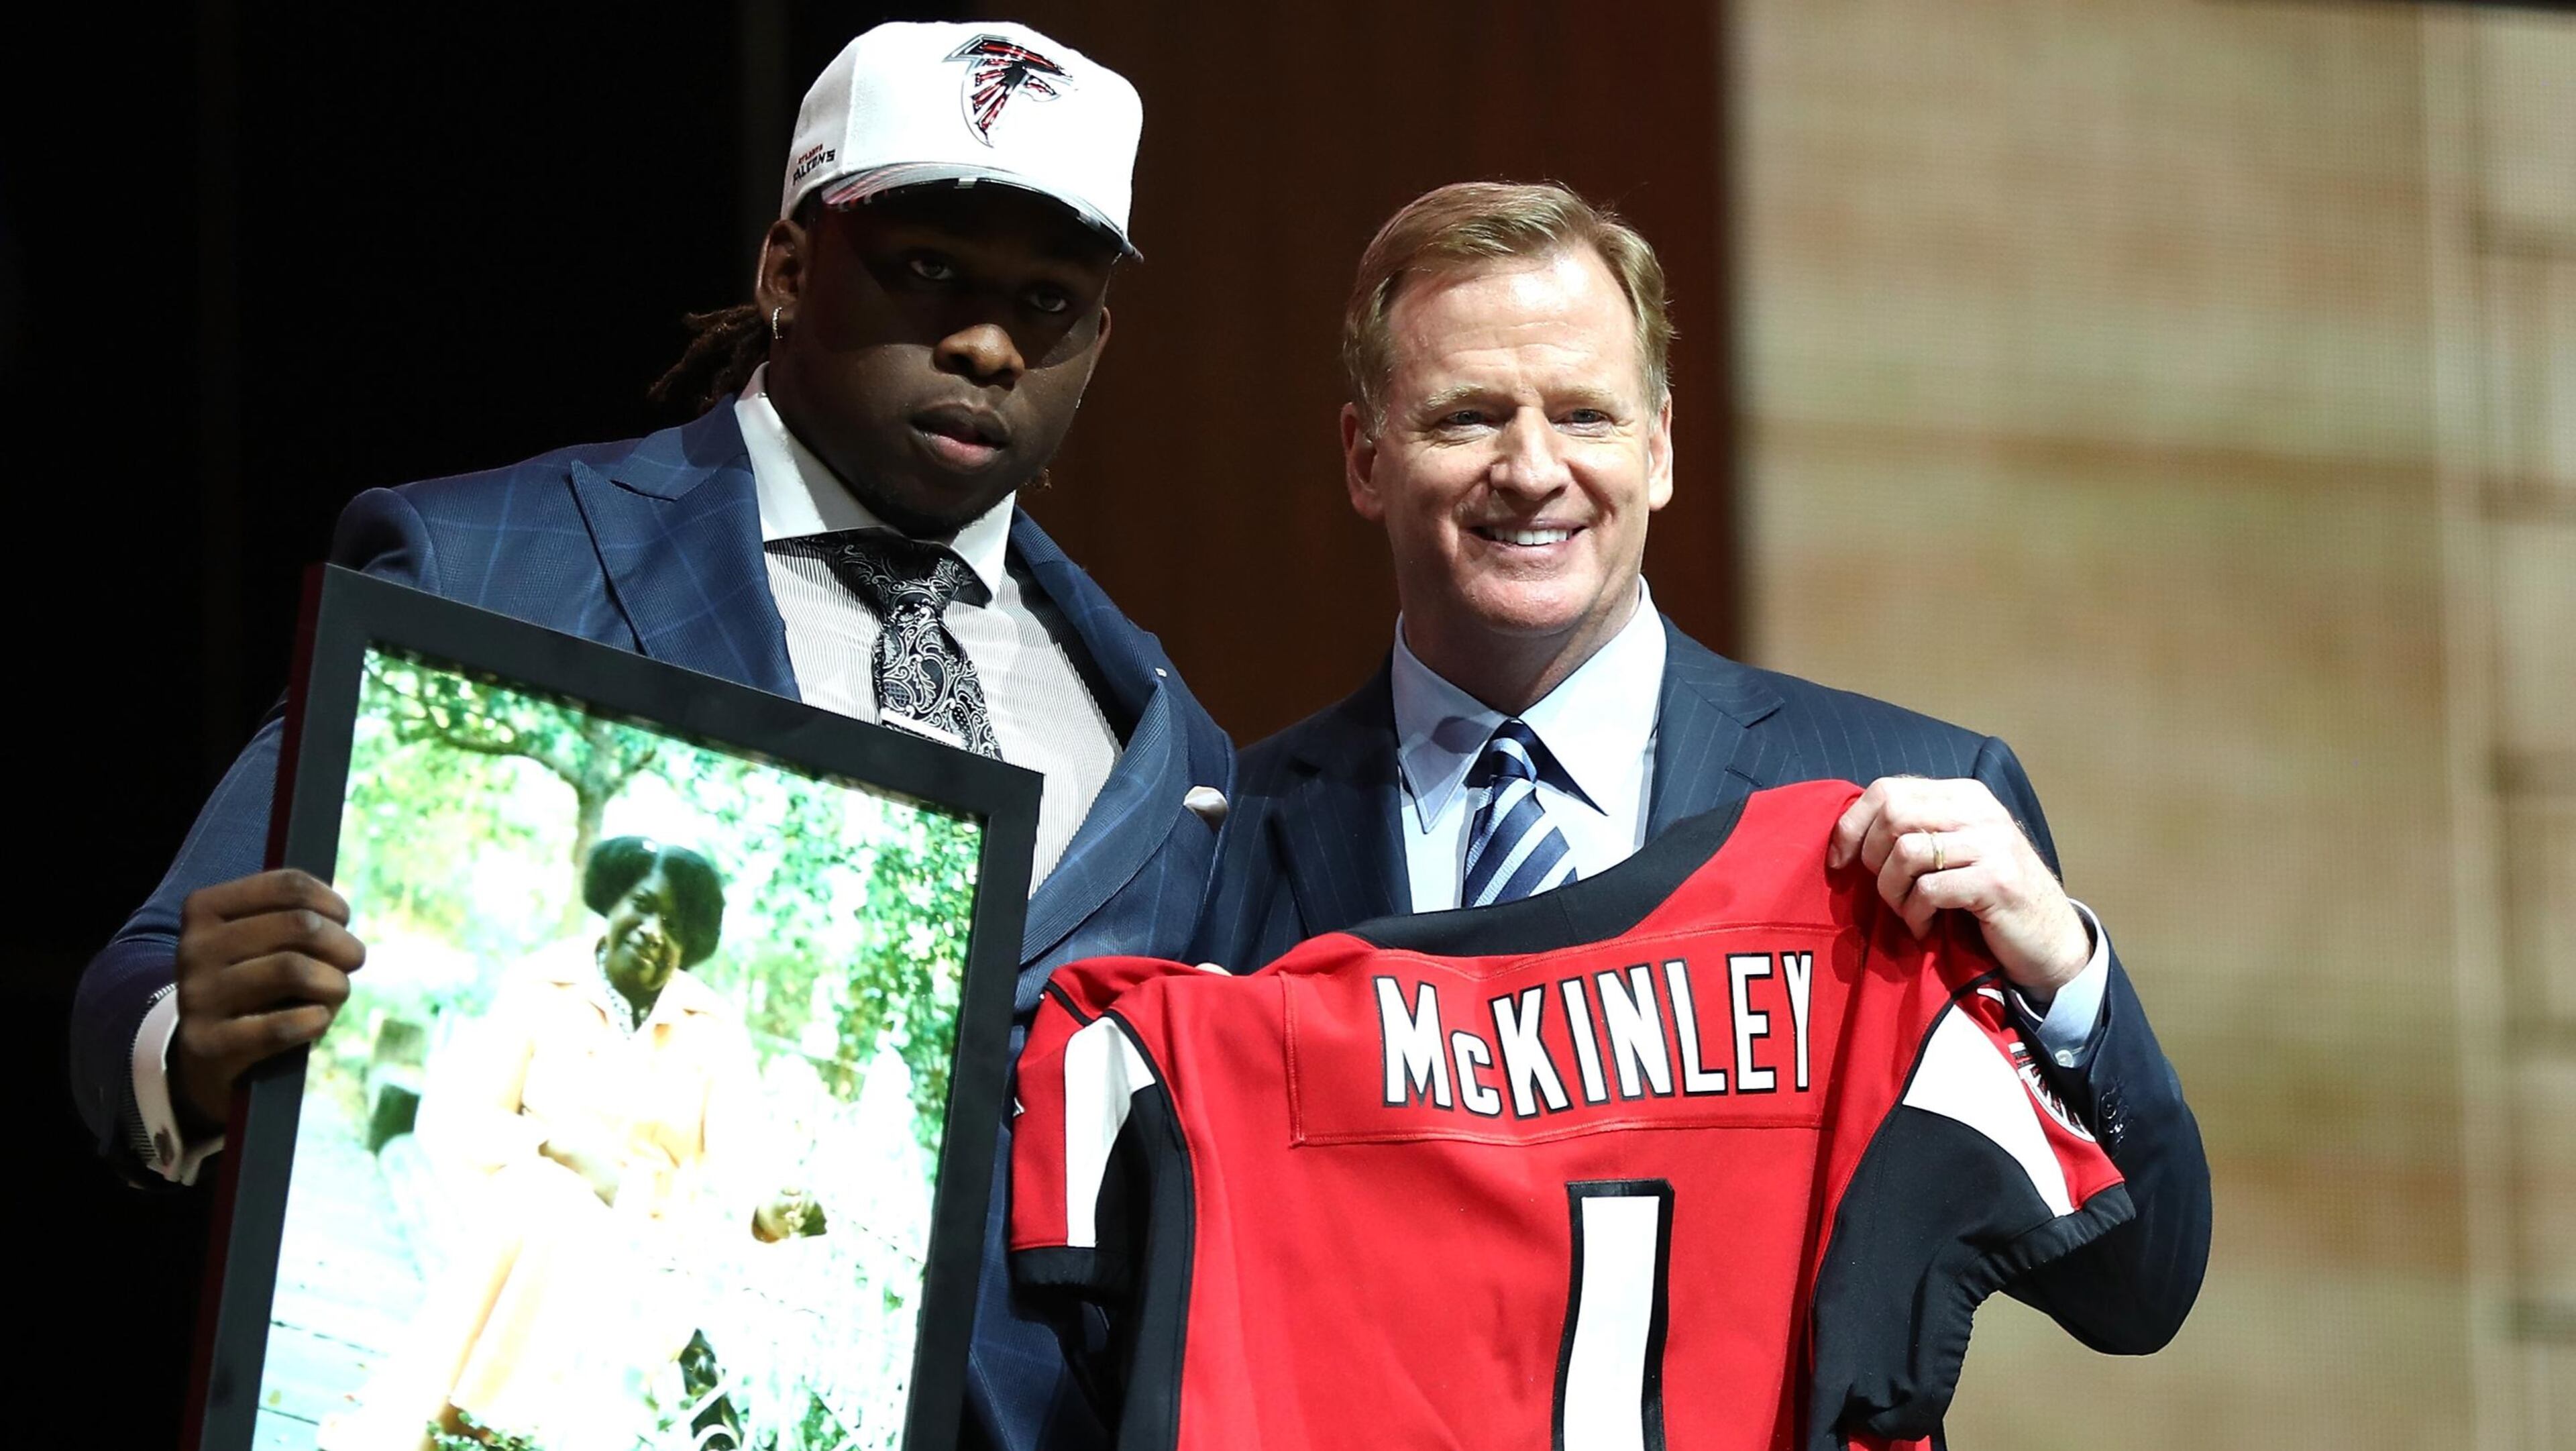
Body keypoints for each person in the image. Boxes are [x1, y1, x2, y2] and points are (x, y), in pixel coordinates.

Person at [67, 21, 1228, 1451]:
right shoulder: (487, 564)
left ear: (1100, 342)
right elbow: (145, 983)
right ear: (788, 267)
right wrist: (197, 1039)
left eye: (1049, 303)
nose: (989, 342)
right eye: (928, 271)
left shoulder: (1172, 756)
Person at [1193, 181, 2209, 1356]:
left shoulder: (1901, 794)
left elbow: (2139, 1286)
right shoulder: (1225, 843)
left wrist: (2067, 982)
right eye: (1469, 417)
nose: (1531, 469)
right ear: (1365, 457)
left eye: (1585, 415)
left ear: (1660, 447)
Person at [325, 838, 814, 1450]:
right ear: (613, 898)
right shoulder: (542, 985)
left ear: (690, 943)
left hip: (649, 1242)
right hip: (529, 1214)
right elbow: (472, 1117)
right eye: (643, 905)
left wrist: (767, 1208)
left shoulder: (713, 1028)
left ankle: (493, 1431)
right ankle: (490, 1430)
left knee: (591, 1242)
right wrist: (566, 1153)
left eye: (674, 924)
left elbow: (742, 1145)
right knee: (559, 1209)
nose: (653, 930)